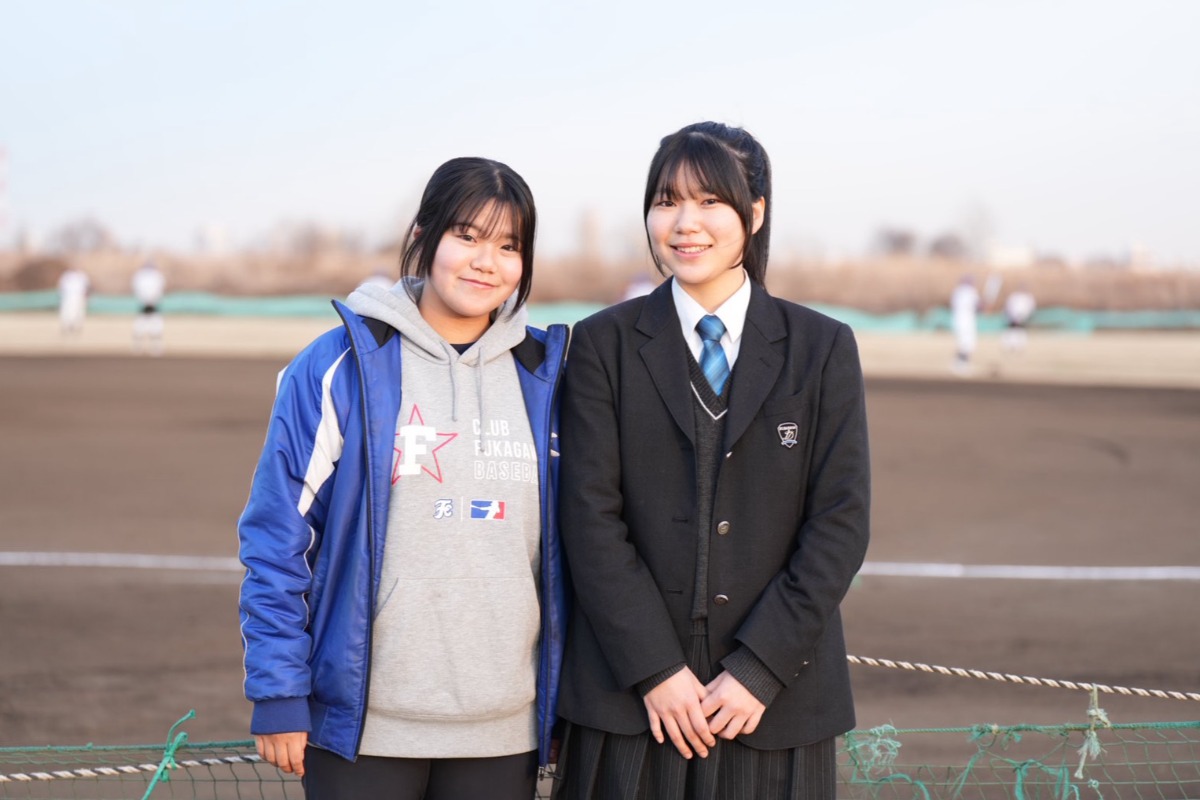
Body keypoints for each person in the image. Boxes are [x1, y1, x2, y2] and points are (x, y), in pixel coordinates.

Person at [554, 121, 871, 799]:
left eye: (710, 201)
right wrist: (654, 669)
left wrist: (760, 667)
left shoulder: (821, 348)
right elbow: (588, 516)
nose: (685, 223)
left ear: (754, 214)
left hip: (774, 704)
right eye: (667, 200)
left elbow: (840, 522)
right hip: (629, 701)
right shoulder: (600, 345)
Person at [237, 157, 569, 800]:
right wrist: (278, 690)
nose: (485, 261)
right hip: (361, 731)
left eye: (508, 245)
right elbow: (277, 535)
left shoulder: (550, 379)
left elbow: (580, 548)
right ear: (424, 234)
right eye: (467, 236)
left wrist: (564, 702)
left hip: (504, 731)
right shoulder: (339, 365)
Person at [131, 259, 166, 355]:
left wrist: (153, 300)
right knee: (140, 326)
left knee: (156, 327)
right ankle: (137, 348)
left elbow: (159, 289)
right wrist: (145, 300)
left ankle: (156, 348)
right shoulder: (139, 275)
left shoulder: (157, 275)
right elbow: (137, 289)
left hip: (155, 304)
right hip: (143, 304)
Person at [950, 274, 981, 375]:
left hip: (959, 319)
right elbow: (978, 307)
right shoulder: (970, 292)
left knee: (964, 343)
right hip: (967, 320)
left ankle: (960, 365)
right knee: (967, 343)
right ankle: (961, 366)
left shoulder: (958, 291)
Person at [1002, 284, 1036, 353]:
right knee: (1012, 331)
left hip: (1023, 318)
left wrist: (1023, 317)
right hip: (1012, 317)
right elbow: (1009, 306)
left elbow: (1030, 308)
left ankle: (1020, 346)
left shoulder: (1028, 297)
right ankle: (1011, 346)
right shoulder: (1014, 296)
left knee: (1021, 332)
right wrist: (1013, 317)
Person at [57, 265, 90, 335]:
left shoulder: (82, 275)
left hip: (79, 296)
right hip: (68, 296)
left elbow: (87, 286)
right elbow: (61, 286)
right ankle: (66, 326)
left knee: (79, 312)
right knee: (67, 311)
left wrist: (86, 295)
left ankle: (76, 326)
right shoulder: (67, 276)